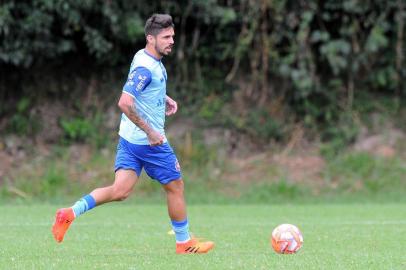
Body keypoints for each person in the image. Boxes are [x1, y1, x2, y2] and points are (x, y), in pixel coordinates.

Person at [51, 13, 215, 254]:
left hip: (128, 139)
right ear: (151, 38)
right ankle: (184, 243)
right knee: (176, 187)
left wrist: (163, 98)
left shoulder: (143, 56)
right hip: (148, 142)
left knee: (120, 191)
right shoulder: (146, 67)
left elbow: (139, 90)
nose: (171, 41)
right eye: (166, 37)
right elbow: (125, 102)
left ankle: (69, 213)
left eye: (172, 36)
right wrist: (150, 131)